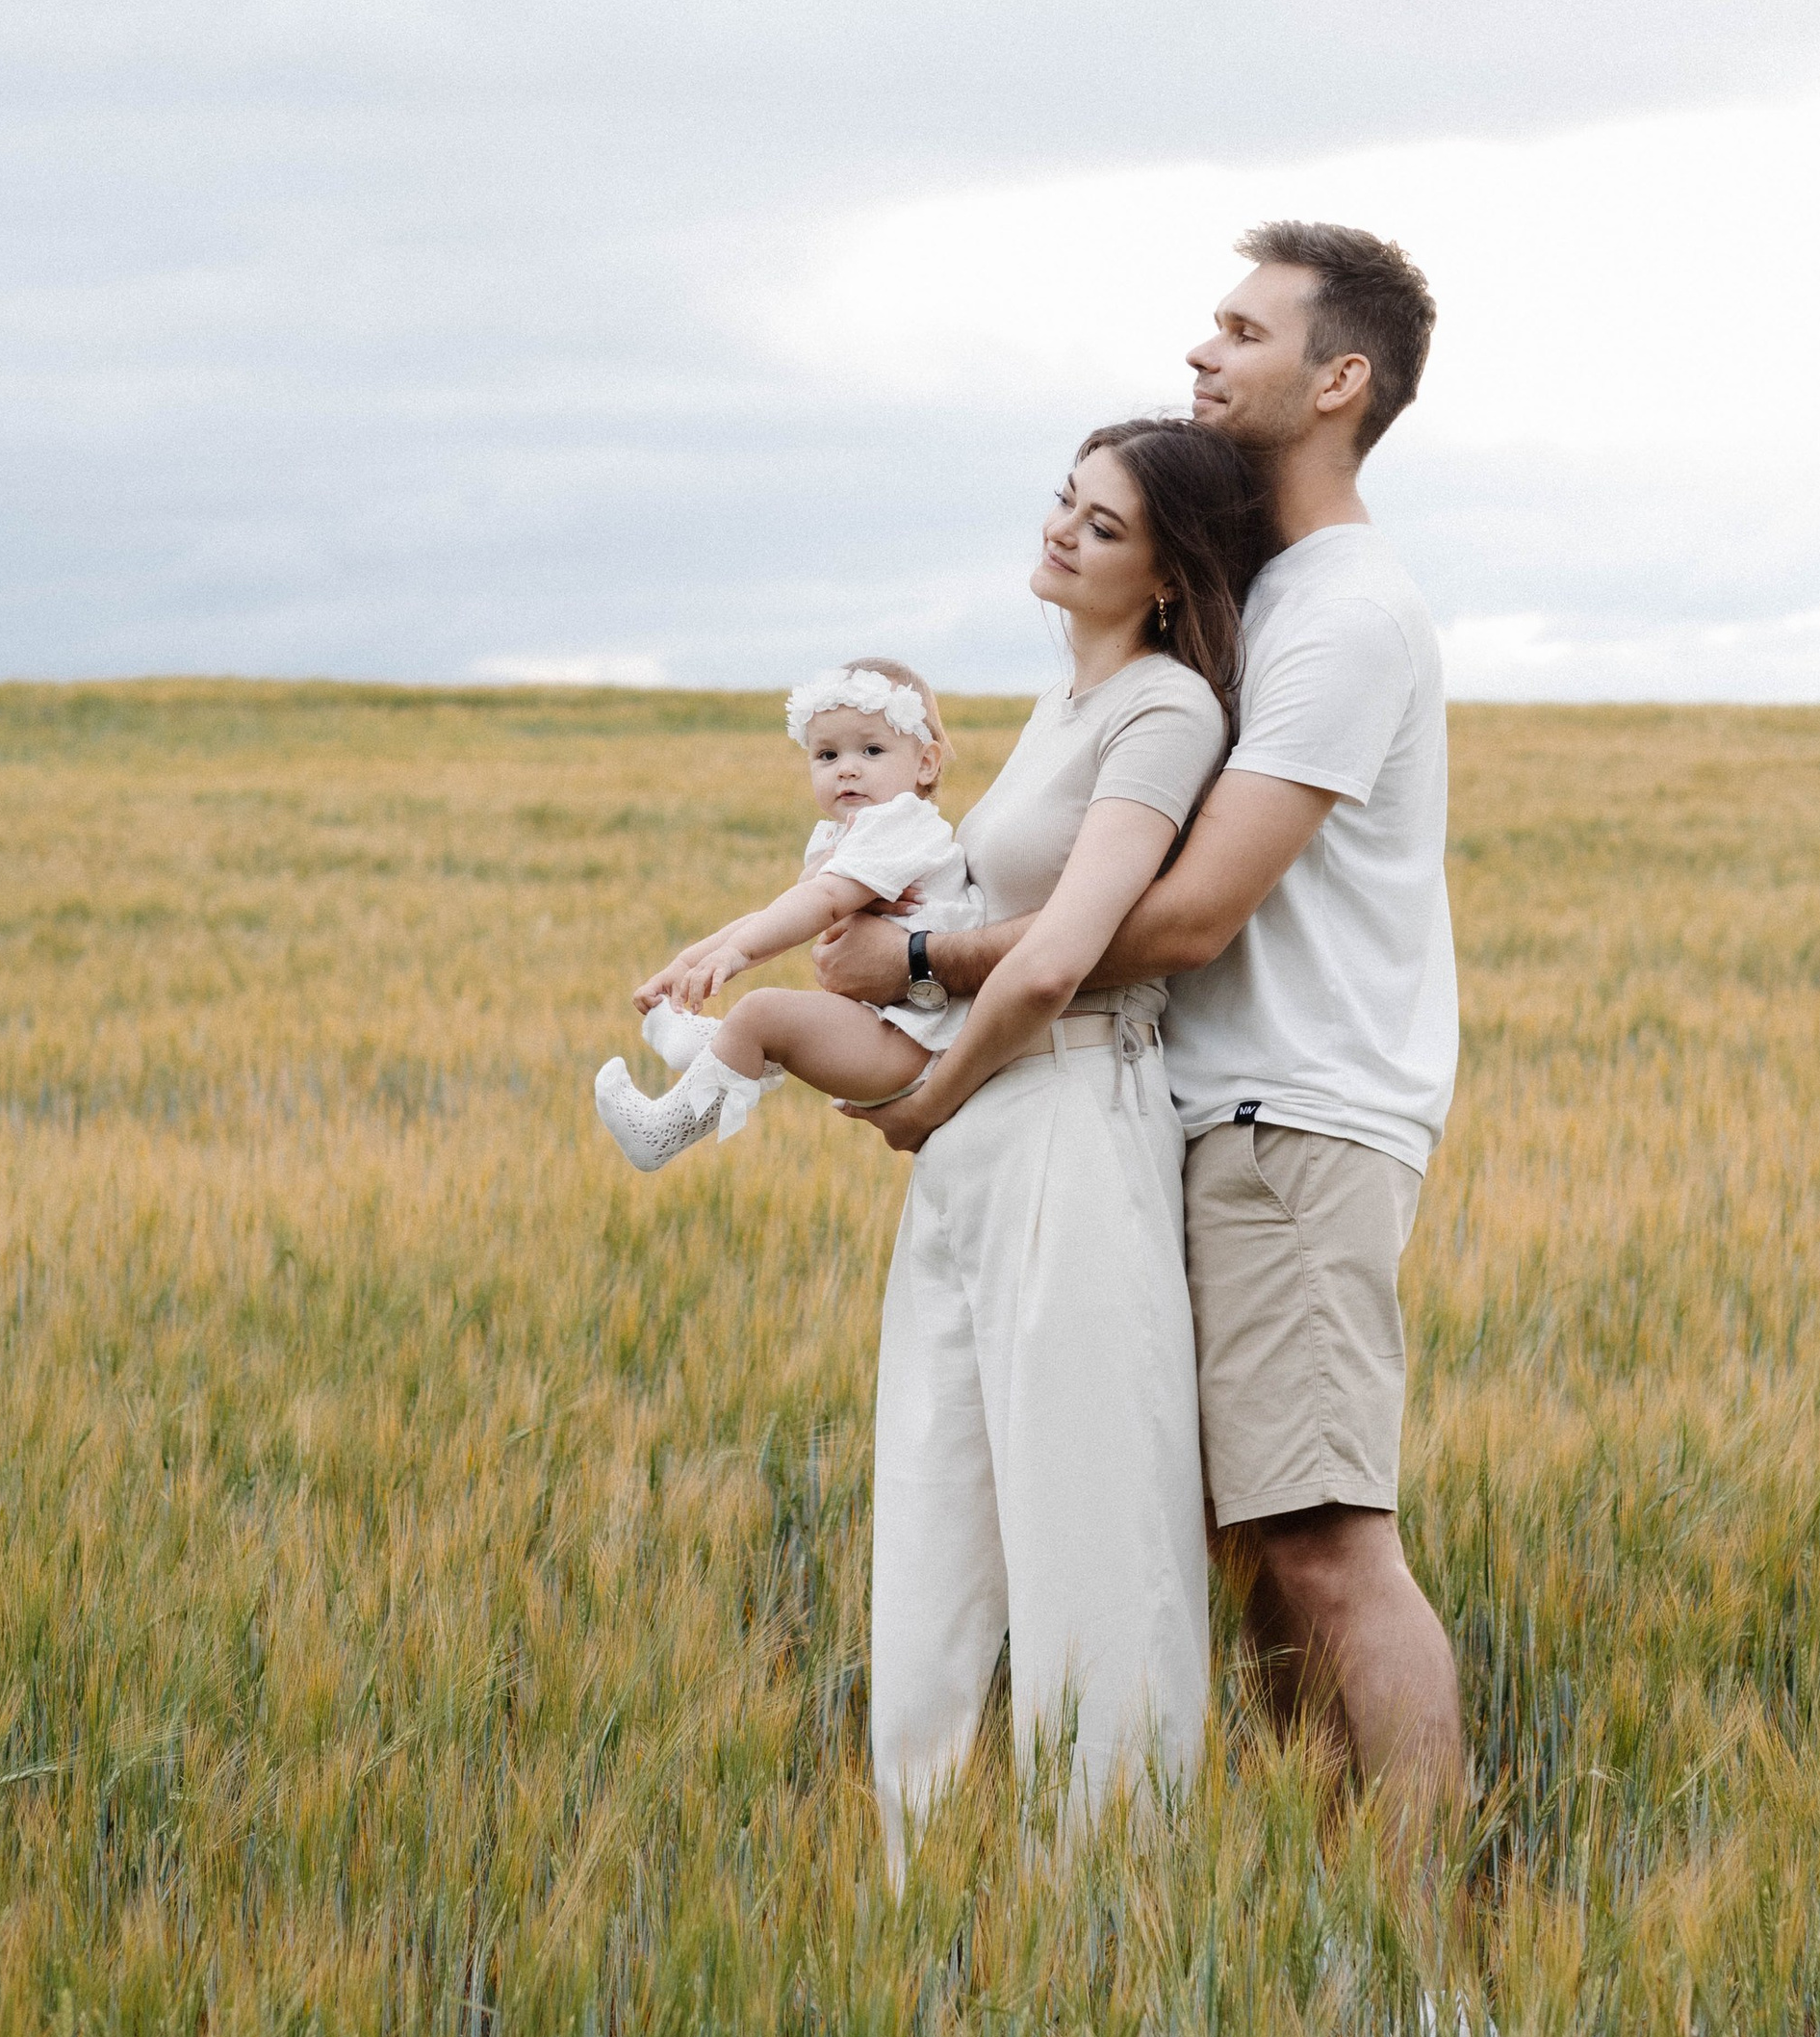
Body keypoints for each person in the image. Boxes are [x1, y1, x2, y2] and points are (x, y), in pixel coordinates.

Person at [826, 223, 1462, 1814]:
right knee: (1227, 1551)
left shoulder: (1344, 613)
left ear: (1339, 379)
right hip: (1197, 1115)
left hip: (1291, 1118)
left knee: (1320, 1544)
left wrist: (925, 968)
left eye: (1241, 331)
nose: (1203, 353)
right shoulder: (1265, 604)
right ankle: (1309, 1935)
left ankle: (1429, 1978)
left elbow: (1182, 917)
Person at [836, 418, 1273, 1869]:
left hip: (1068, 1119)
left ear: (1166, 576)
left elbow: (1054, 959)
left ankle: (1115, 1910)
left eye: (1102, 526)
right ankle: (922, 1894)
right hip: (986, 1133)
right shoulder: (1059, 707)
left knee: (1093, 1524)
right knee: (933, 1503)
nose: (1062, 533)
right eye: (1063, 503)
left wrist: (919, 1091)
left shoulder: (1164, 712)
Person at [590, 658, 981, 1169]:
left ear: (925, 764)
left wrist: (735, 955)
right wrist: (687, 963)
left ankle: (660, 1132)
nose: (847, 766)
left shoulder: (901, 823)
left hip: (917, 1044)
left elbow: (821, 903)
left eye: (872, 749)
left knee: (763, 1011)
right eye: (827, 753)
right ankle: (725, 1048)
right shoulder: (846, 837)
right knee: (764, 1016)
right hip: (882, 1029)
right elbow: (782, 911)